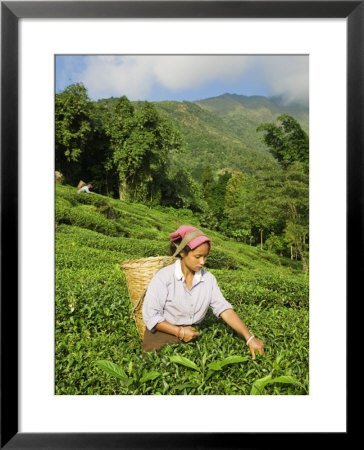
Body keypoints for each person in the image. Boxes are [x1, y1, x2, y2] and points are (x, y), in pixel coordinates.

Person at [142, 225, 264, 359]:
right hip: (162, 332)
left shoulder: (208, 279)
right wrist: (180, 332)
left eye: (205, 257)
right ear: (182, 252)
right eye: (198, 256)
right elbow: (151, 316)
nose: (202, 262)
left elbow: (224, 309)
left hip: (192, 333)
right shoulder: (164, 277)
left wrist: (249, 338)